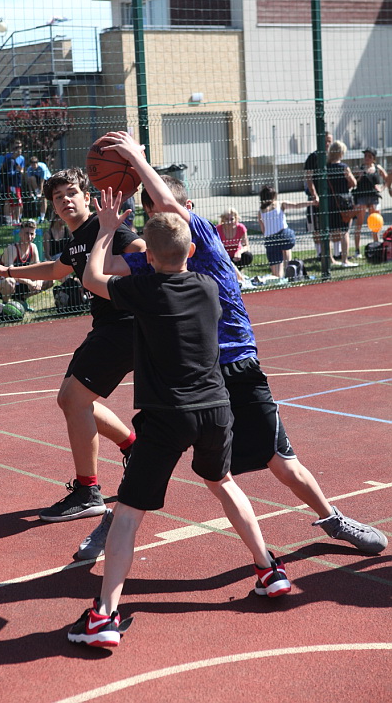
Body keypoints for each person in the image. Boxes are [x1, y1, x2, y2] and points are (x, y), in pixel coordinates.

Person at [78, 132, 387, 562]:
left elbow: (167, 209)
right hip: (186, 378)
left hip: (237, 365)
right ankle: (117, 521)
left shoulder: (201, 238)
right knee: (148, 463)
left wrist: (136, 160)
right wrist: (107, 228)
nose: (162, 220)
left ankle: (332, 518)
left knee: (281, 462)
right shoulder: (153, 258)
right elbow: (104, 269)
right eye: (152, 217)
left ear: (188, 209)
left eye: (166, 211)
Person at [68, 193, 291, 648]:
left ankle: (103, 616)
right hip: (216, 409)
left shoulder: (144, 290)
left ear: (148, 258)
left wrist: (106, 229)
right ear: (191, 250)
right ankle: (269, 570)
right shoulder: (209, 284)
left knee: (128, 513)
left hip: (168, 415)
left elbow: (92, 277)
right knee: (223, 482)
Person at [0, 168, 145, 521]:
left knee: (73, 399)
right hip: (108, 327)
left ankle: (88, 492)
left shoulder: (105, 227)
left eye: (71, 193)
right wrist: (8, 272)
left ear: (87, 197)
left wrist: (127, 278)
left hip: (125, 324)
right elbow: (56, 270)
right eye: (58, 197)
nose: (65, 200)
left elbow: (144, 251)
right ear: (53, 207)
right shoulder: (77, 238)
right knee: (70, 399)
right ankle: (133, 449)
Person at [307, 140, 358, 269]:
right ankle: (344, 260)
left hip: (328, 204)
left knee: (327, 232)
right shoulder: (344, 167)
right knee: (344, 231)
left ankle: (330, 259)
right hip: (343, 203)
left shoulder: (325, 168)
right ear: (341, 153)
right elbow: (353, 183)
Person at [258, 186, 313, 277]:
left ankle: (279, 275)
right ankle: (288, 266)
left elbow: (263, 229)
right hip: (284, 235)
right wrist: (311, 202)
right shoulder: (280, 204)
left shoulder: (260, 211)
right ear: (274, 196)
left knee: (276, 271)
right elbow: (296, 205)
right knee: (286, 245)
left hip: (270, 239)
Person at [0, 218, 45, 307]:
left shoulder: (33, 247)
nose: (29, 237)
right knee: (10, 281)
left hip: (22, 284)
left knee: (49, 280)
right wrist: (29, 282)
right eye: (26, 233)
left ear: (35, 235)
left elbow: (38, 269)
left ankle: (21, 300)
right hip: (3, 285)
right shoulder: (12, 249)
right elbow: (9, 273)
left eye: (32, 234)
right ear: (20, 234)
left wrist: (39, 282)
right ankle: (5, 307)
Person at [352, 147, 387, 258]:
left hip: (373, 197)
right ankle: (357, 250)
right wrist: (358, 177)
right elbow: (352, 183)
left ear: (373, 158)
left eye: (369, 156)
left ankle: (377, 247)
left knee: (375, 224)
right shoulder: (359, 168)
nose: (367, 158)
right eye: (365, 156)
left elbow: (387, 179)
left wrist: (382, 188)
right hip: (361, 197)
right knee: (359, 224)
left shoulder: (377, 168)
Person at [304, 132, 333, 258]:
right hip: (316, 197)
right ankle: (319, 253)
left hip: (329, 197)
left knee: (330, 225)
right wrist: (314, 195)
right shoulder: (313, 157)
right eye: (325, 141)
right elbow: (308, 178)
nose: (327, 144)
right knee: (316, 226)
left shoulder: (331, 157)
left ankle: (334, 253)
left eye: (329, 141)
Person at [0, 140, 25, 226]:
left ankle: (16, 219)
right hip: (11, 184)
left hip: (17, 183)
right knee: (14, 201)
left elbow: (21, 169)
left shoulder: (21, 158)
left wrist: (20, 171)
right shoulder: (10, 159)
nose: (20, 151)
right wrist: (18, 171)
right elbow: (9, 172)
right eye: (18, 149)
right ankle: (12, 220)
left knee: (17, 202)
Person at [25, 155, 51, 222]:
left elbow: (42, 181)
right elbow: (29, 182)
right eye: (32, 164)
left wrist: (41, 192)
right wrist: (31, 192)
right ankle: (36, 192)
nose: (34, 166)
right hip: (37, 180)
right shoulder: (29, 169)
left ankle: (42, 217)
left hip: (46, 180)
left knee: (43, 198)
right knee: (32, 178)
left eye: (35, 164)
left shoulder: (42, 167)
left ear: (37, 163)